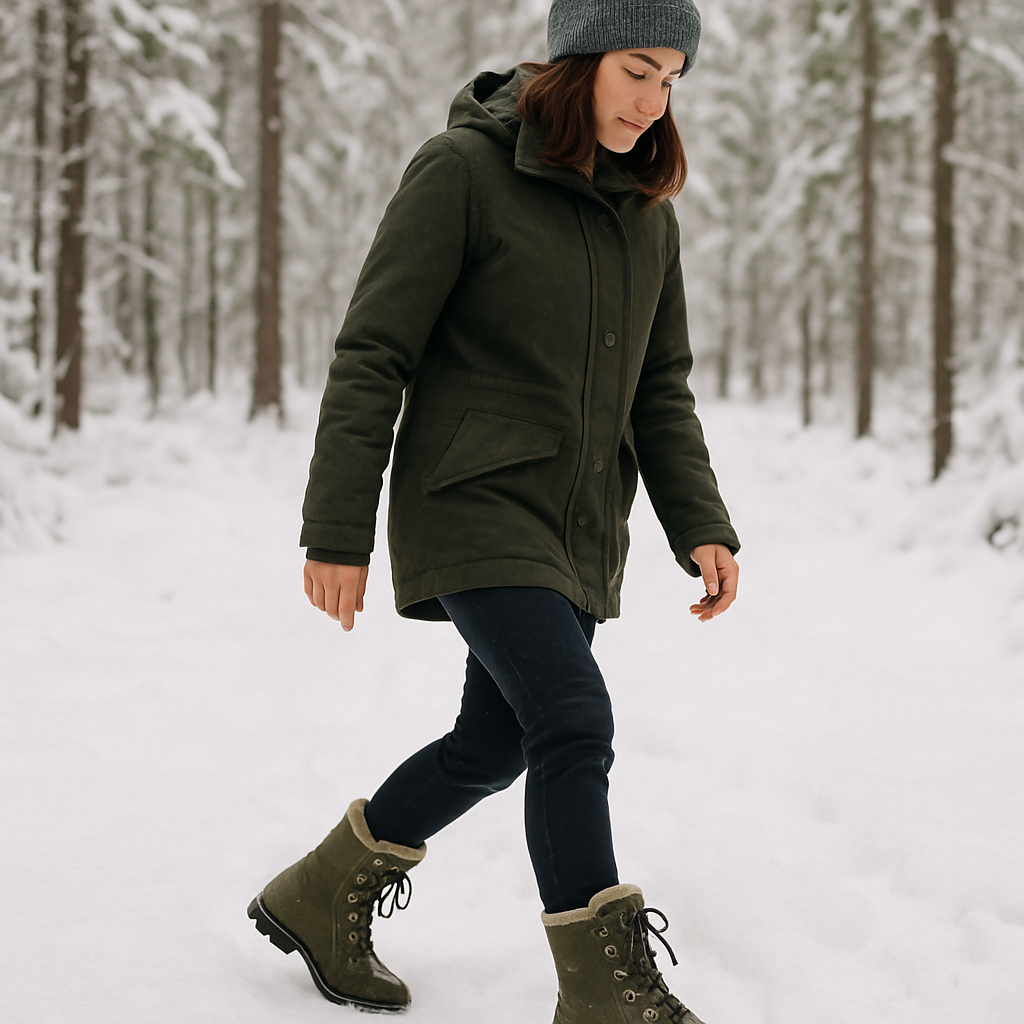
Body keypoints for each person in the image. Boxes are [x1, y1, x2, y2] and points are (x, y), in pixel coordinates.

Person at [247, 1, 740, 1020]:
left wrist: (700, 521)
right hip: (471, 500)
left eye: (670, 81)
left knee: (496, 741)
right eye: (637, 71)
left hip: (577, 525)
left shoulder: (647, 216)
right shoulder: (464, 172)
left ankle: (320, 892)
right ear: (579, 59)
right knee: (572, 717)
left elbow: (660, 388)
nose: (653, 103)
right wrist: (336, 528)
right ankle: (604, 994)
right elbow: (374, 350)